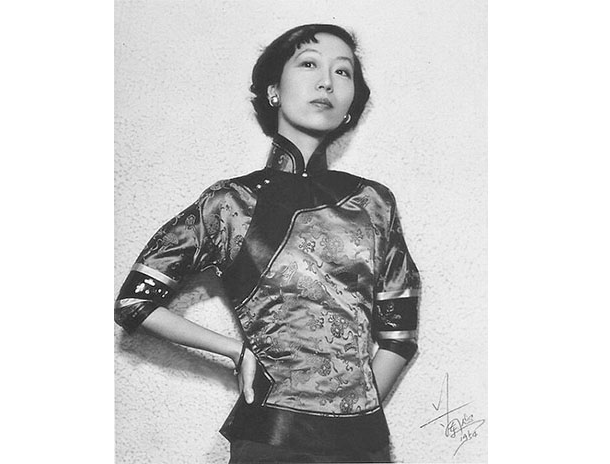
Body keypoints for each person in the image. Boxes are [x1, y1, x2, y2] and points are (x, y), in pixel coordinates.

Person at [115, 24, 421, 463]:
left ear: (350, 106)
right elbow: (134, 302)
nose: (327, 82)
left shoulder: (374, 202)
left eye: (343, 72)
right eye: (309, 64)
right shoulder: (231, 202)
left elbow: (399, 335)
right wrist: (236, 352)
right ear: (273, 90)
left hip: (363, 446)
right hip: (270, 439)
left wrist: (358, 418)